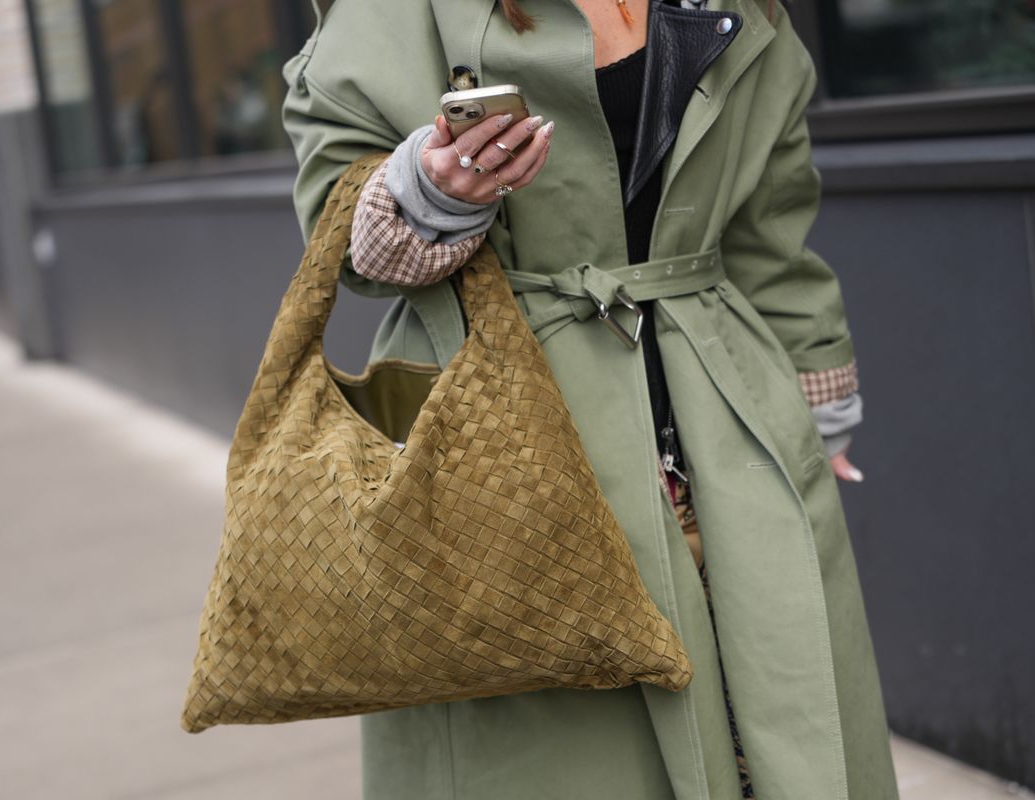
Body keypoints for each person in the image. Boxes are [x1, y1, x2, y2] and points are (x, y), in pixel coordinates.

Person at [282, 1, 898, 798]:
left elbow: (769, 230)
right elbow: (343, 234)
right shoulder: (400, 10)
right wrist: (433, 191)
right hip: (503, 445)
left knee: (779, 731)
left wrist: (821, 405)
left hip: (725, 428)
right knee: (568, 759)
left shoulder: (737, 7)